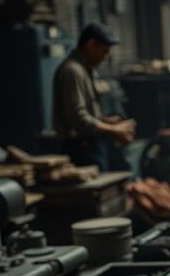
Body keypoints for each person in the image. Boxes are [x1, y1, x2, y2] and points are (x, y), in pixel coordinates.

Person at [52, 22, 135, 170]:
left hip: (91, 145)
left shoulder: (85, 70)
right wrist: (113, 130)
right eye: (103, 51)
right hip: (80, 149)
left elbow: (86, 114)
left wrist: (105, 121)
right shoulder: (72, 71)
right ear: (91, 45)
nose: (105, 57)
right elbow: (77, 117)